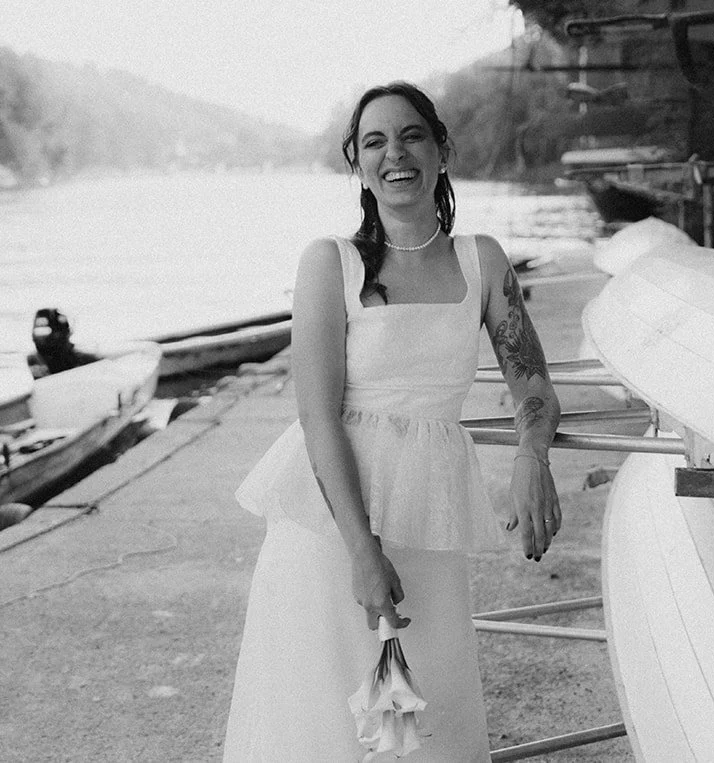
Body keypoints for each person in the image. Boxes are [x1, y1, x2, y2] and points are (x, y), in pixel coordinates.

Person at [225, 81, 562, 761]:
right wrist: (362, 550)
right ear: (356, 160)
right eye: (374, 141)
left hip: (429, 523)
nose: (395, 153)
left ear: (441, 148)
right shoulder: (330, 262)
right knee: (327, 725)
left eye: (411, 135)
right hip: (333, 530)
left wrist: (532, 454)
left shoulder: (482, 260)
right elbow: (318, 418)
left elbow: (535, 385)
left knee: (419, 725)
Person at [25, 307, 100, 378]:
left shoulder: (84, 362)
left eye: (45, 331)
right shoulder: (27, 365)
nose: (42, 338)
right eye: (40, 332)